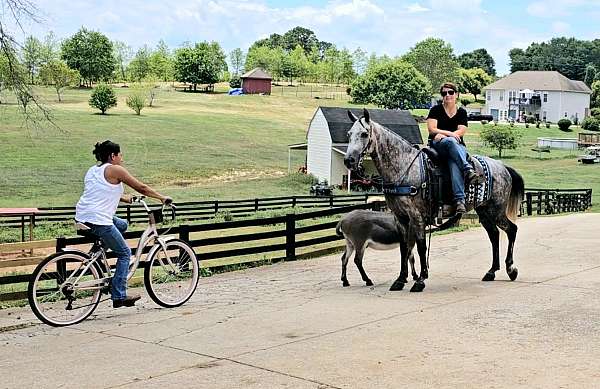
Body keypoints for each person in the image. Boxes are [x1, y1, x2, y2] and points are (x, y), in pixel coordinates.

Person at [75, 140, 172, 308]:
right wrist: (162, 197)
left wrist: (125, 198)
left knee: (122, 225)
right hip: (99, 220)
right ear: (113, 156)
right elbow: (141, 187)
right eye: (120, 154)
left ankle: (96, 254)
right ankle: (119, 295)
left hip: (83, 217)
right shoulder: (115, 169)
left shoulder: (93, 170)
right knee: (125, 253)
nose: (122, 158)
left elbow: (100, 191)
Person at [426, 82, 481, 214]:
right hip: (439, 145)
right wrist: (449, 135)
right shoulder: (436, 110)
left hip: (456, 147)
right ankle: (467, 169)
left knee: (453, 164)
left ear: (456, 94)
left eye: (450, 92)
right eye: (444, 93)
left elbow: (461, 131)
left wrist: (445, 135)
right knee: (450, 142)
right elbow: (431, 129)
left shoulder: (461, 112)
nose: (447, 95)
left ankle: (459, 201)